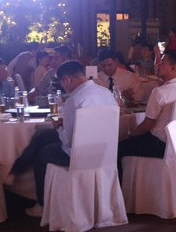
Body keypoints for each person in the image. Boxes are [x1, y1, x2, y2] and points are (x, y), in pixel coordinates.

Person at [9, 60, 117, 218]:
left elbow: (68, 140)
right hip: (105, 150)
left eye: (62, 83)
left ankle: (42, 204)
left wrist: (59, 126)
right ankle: (15, 171)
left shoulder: (74, 99)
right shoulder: (105, 92)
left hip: (80, 153)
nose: (64, 87)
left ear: (67, 79)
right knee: (42, 135)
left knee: (42, 155)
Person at [117, 50, 176, 161]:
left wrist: (130, 134)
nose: (157, 65)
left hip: (159, 143)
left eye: (162, 62)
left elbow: (147, 125)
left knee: (119, 146)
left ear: (173, 67)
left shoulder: (160, 92)